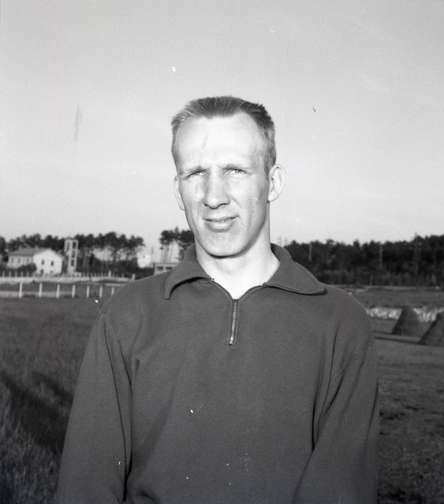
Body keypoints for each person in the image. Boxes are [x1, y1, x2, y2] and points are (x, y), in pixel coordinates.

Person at [56, 96, 379, 503]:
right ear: (178, 190)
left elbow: (342, 491)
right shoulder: (127, 315)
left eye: (234, 171)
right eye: (195, 173)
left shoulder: (341, 324)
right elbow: (85, 487)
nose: (213, 196)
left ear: (273, 183)